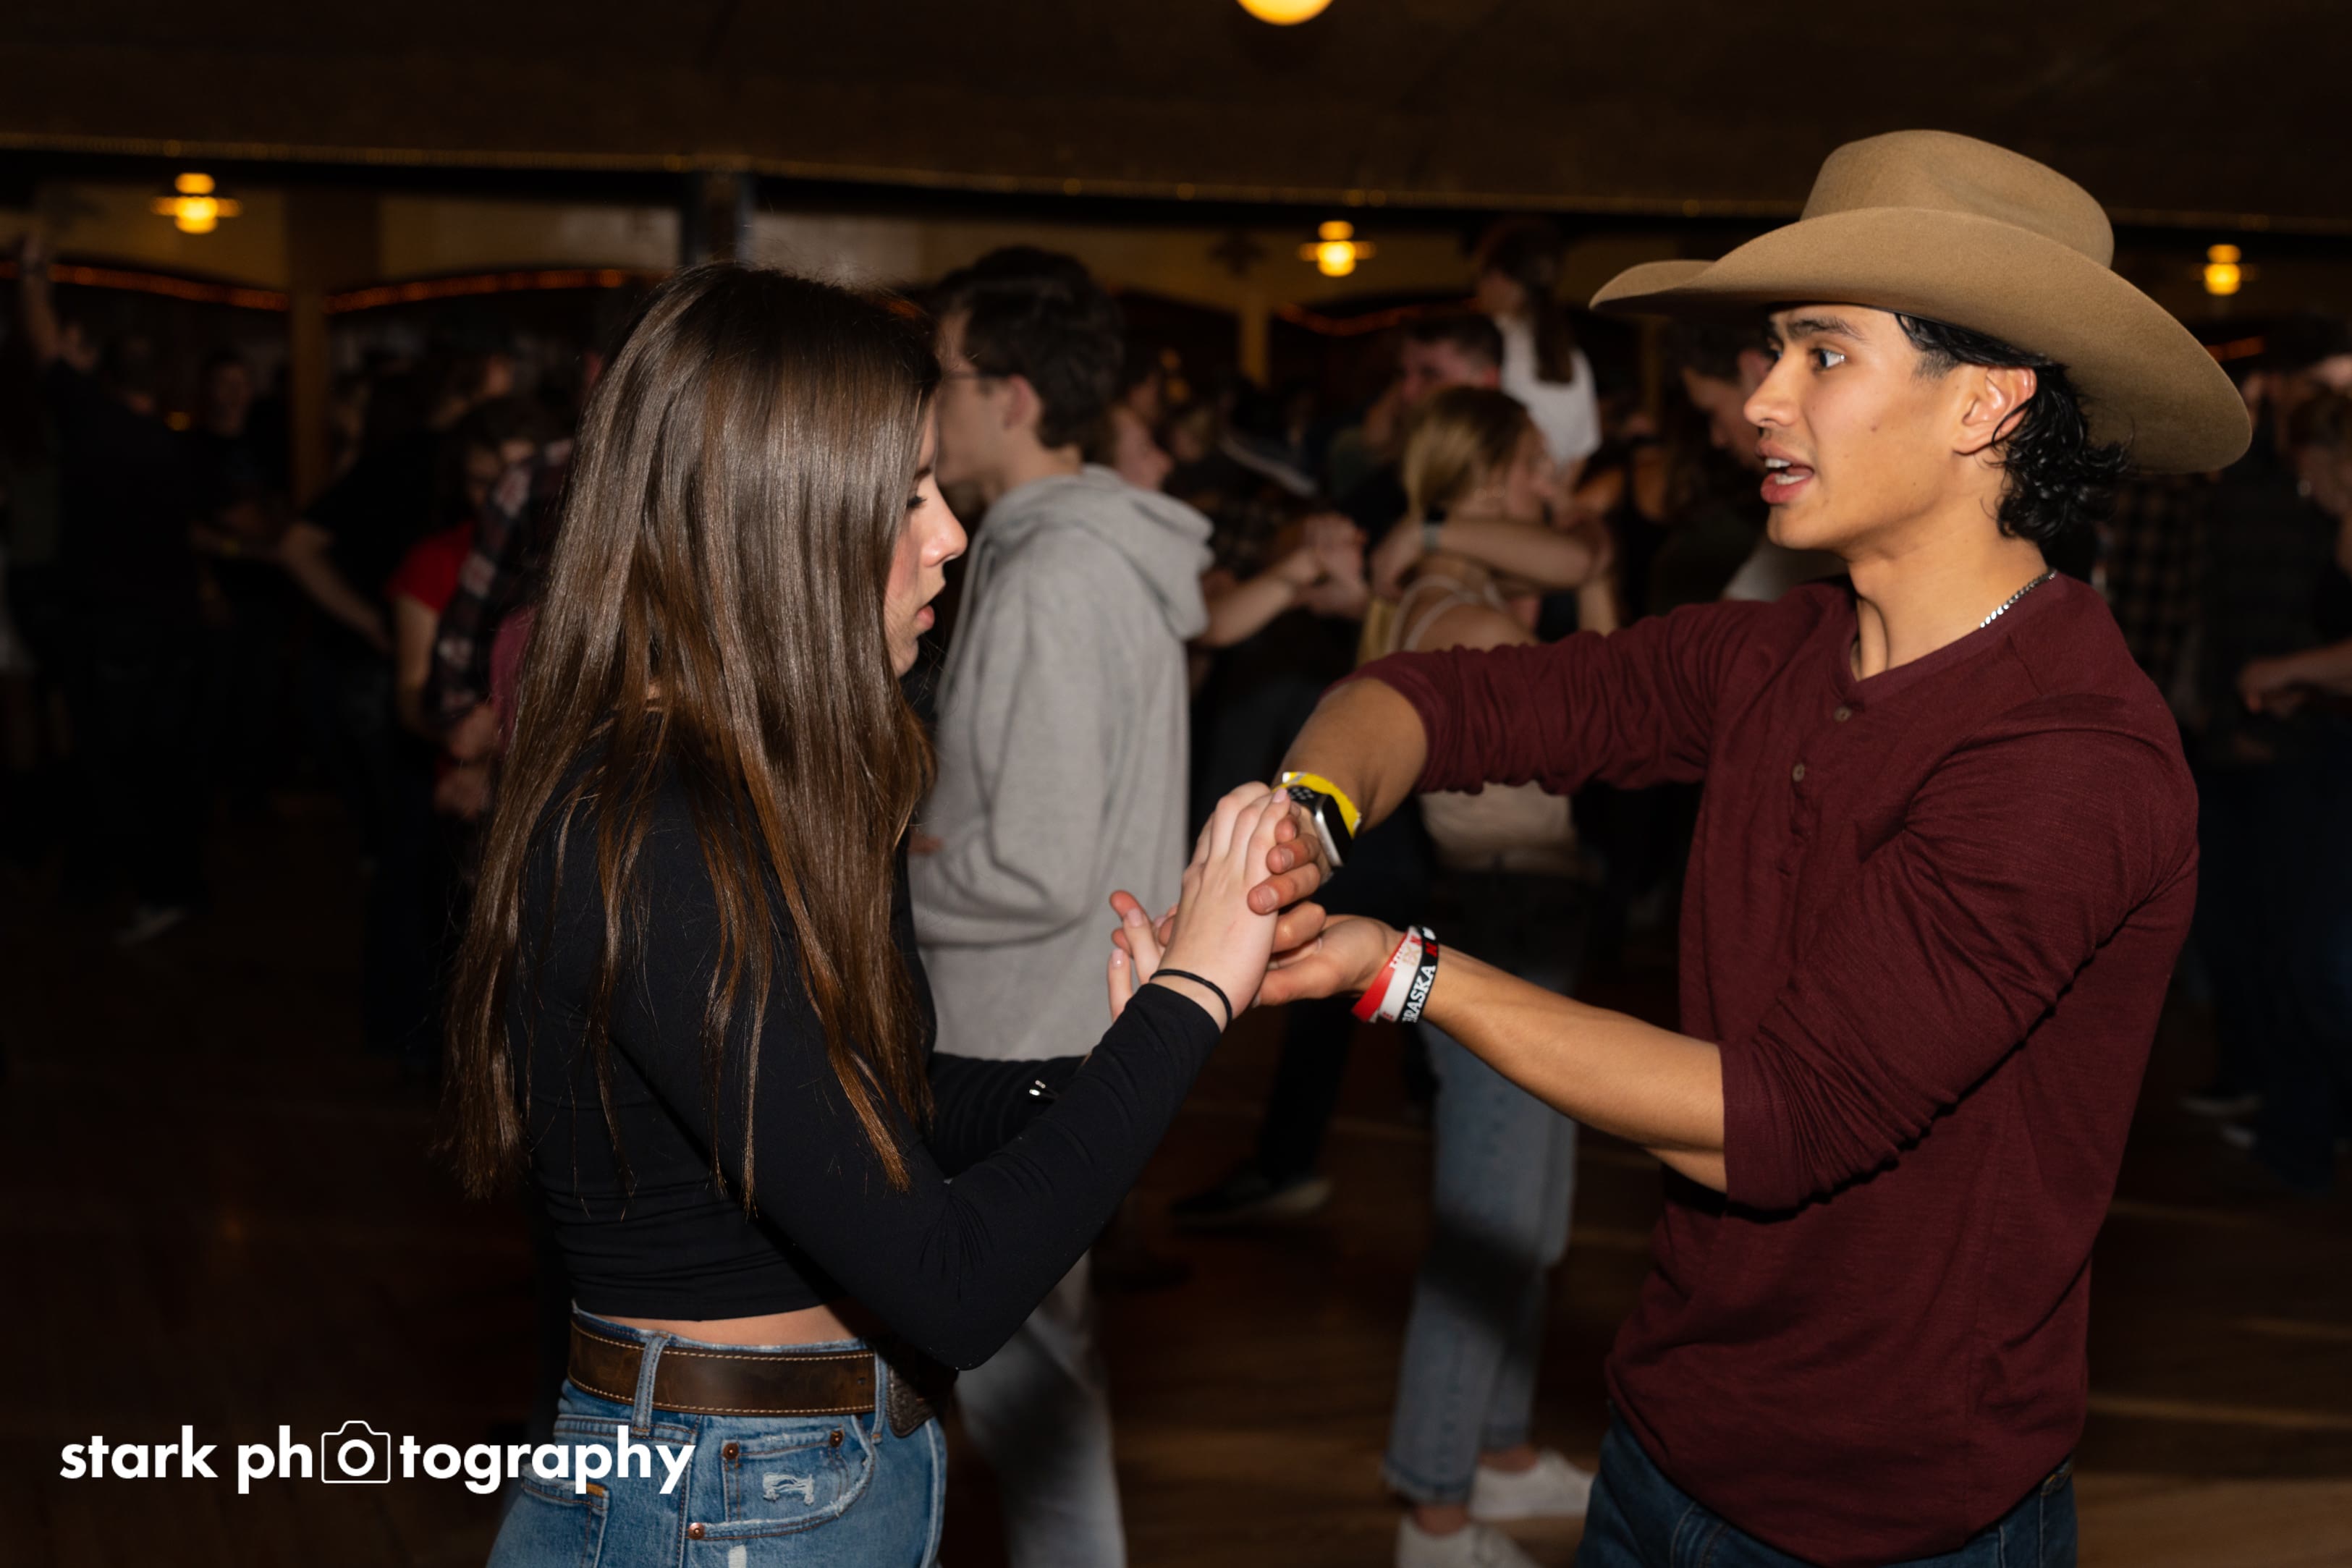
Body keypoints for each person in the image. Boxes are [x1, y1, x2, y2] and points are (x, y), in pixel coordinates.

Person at [1217, 132, 2249, 1566]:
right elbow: (1439, 699)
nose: (1761, 397)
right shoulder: (1776, 653)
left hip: (1890, 1517)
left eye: (1822, 354)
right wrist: (1307, 819)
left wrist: (1399, 970)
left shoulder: (2068, 755)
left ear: (1986, 403)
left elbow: (1776, 1121)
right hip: (1662, 1440)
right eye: (1773, 352)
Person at [449, 263, 1287, 1567]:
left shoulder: (768, 781)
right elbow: (954, 1282)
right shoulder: (650, 828)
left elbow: (868, 1098)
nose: (947, 534)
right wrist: (1189, 1002)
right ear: (776, 522)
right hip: (721, 1498)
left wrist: (1115, 1060)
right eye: (904, 496)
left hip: (794, 1473)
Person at [913, 245, 1209, 1568]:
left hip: (1013, 1035)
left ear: (1014, 396)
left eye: (944, 375)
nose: (930, 403)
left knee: (1025, 1386)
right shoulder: (1075, 551)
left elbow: (1033, 864)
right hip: (1052, 1024)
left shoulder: (1053, 574)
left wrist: (878, 876)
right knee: (1034, 1381)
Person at [1362, 387, 1598, 1568]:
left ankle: (1497, 1454)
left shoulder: (1452, 592)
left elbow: (1582, 562)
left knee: (1528, 1217)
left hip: (1518, 911)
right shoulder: (1464, 616)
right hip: (1500, 915)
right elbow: (1594, 729)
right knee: (1490, 1220)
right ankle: (1435, 1513)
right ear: (1489, 475)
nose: (1552, 484)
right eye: (1536, 464)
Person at [16, 232, 206, 944]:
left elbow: (43, 346)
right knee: (163, 761)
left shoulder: (92, 422)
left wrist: (32, 273)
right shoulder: (170, 443)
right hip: (169, 626)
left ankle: (156, 887)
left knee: (117, 764)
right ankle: (168, 886)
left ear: (98, 369)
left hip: (115, 629)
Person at [1473, 219, 1603, 488]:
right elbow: (1581, 452)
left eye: (1481, 277)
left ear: (1498, 278)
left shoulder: (1489, 344)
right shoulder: (1571, 356)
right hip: (1544, 499)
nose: (1478, 290)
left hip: (1499, 498)